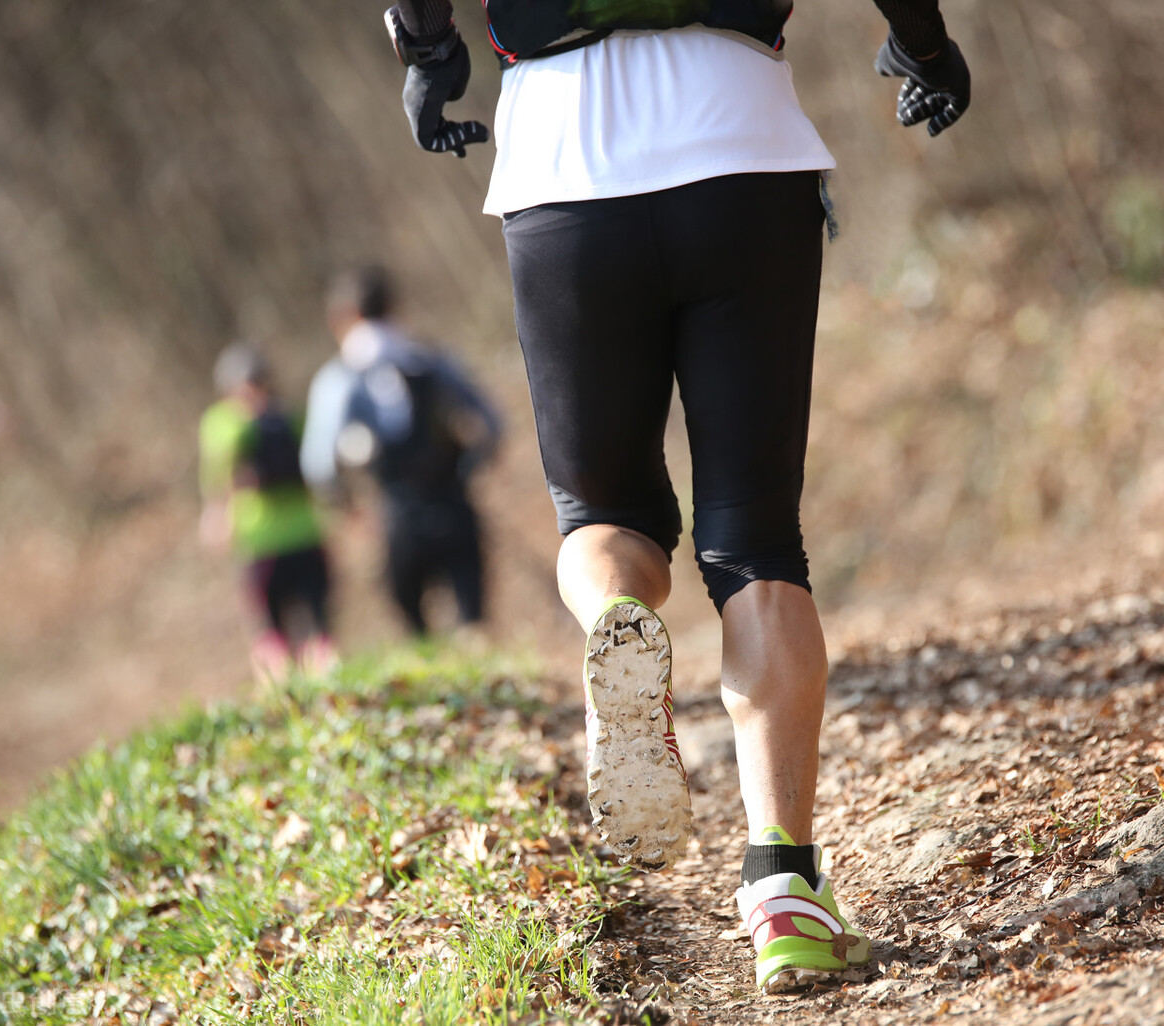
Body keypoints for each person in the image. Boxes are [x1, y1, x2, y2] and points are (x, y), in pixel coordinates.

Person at [384, 0, 971, 994]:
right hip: (742, 142)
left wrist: (428, 53)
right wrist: (925, 44)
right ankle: (784, 892)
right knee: (757, 542)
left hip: (562, 164)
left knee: (601, 515)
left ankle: (618, 626)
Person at [300, 267, 502, 636]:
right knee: (473, 624)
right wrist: (467, 470)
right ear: (392, 307)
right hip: (454, 506)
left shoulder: (339, 378)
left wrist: (347, 507)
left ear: (344, 317)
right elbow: (493, 426)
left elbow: (319, 465)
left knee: (416, 632)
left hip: (396, 517)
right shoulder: (432, 358)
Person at [198, 341, 338, 680]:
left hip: (259, 542)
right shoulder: (290, 417)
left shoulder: (223, 423)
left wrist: (217, 516)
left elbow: (218, 476)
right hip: (306, 533)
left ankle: (281, 693)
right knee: (318, 626)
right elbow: (317, 467)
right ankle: (327, 687)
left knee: (269, 631)